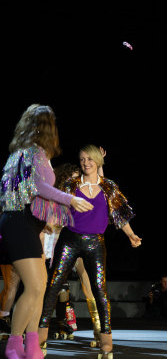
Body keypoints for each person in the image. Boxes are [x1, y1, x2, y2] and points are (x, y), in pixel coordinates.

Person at [0, 104, 94, 359]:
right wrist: (70, 200)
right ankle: (13, 344)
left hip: (28, 225)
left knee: (40, 288)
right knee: (33, 287)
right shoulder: (31, 153)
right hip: (19, 223)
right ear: (46, 127)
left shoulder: (30, 153)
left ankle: (31, 345)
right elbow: (37, 186)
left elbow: (37, 194)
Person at [38, 144, 142, 358]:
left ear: (98, 162)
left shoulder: (108, 187)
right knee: (53, 285)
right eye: (82, 159)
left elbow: (120, 216)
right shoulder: (70, 183)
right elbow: (57, 207)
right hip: (69, 240)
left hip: (95, 243)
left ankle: (105, 337)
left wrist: (131, 234)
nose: (85, 163)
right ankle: (40, 336)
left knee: (100, 290)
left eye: (89, 159)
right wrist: (48, 222)